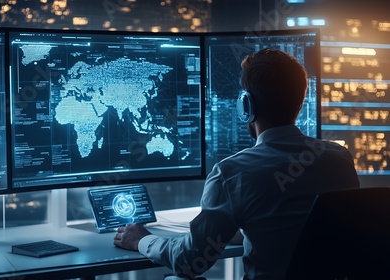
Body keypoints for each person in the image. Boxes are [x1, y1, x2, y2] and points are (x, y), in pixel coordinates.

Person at [113, 49, 360, 280]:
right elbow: (304, 230)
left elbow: (190, 261)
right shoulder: (339, 158)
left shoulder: (232, 172)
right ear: (299, 100)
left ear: (246, 106)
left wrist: (142, 240)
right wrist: (251, 230)